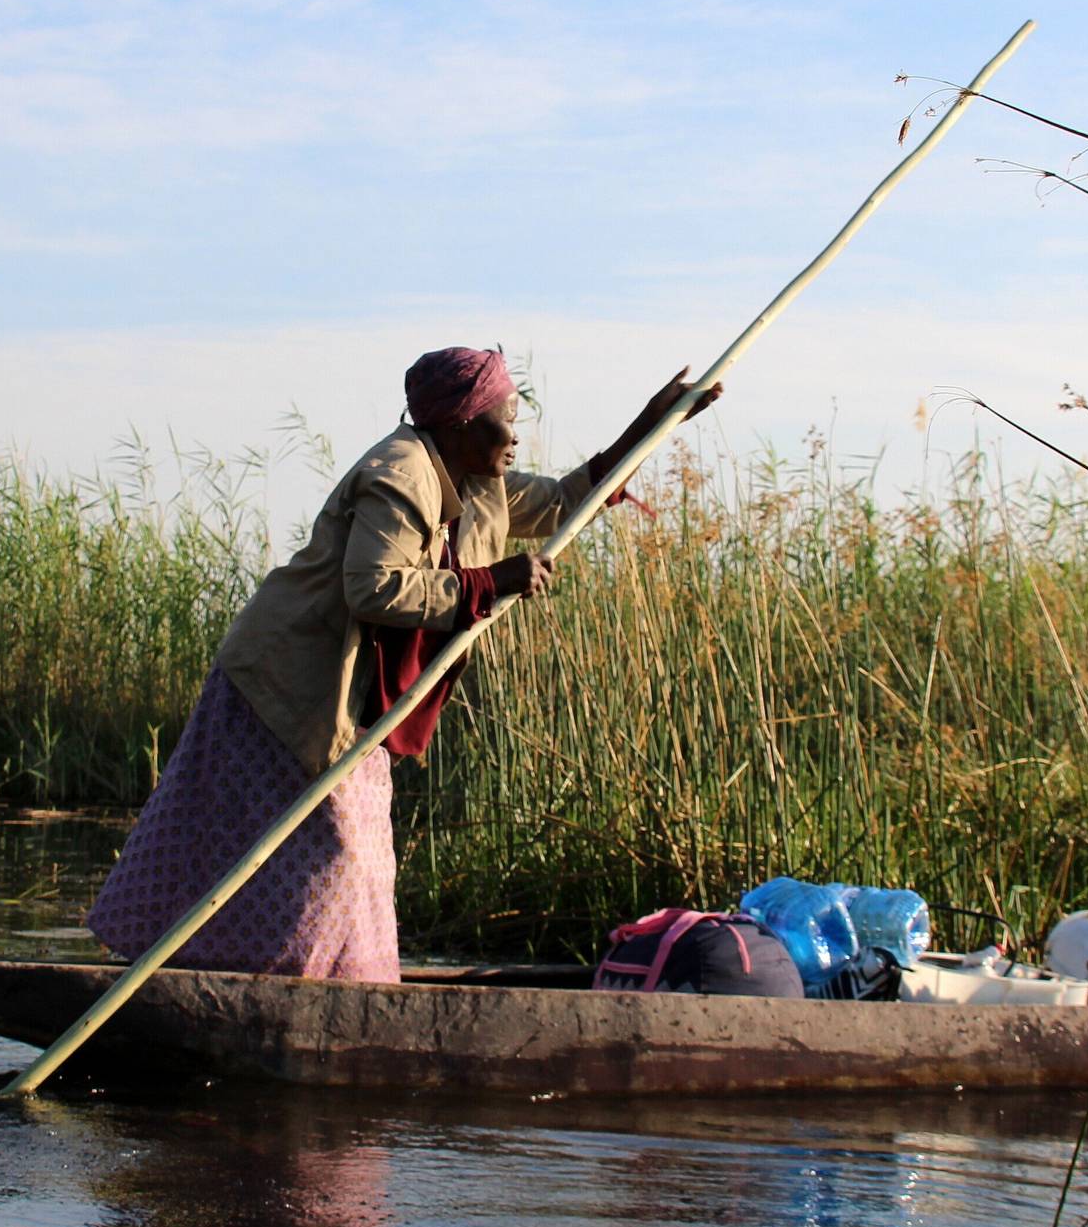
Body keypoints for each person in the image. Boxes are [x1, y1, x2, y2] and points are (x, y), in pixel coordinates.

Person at [86, 346, 721, 982]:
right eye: (506, 418)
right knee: (329, 858)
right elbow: (374, 586)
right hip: (288, 688)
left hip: (353, 703)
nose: (517, 434)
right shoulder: (401, 472)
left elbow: (560, 503)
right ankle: (249, 982)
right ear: (461, 425)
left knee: (355, 863)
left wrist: (650, 425)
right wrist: (486, 582)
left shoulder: (476, 476)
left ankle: (328, 986)